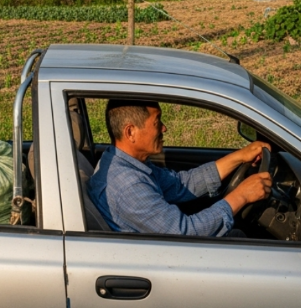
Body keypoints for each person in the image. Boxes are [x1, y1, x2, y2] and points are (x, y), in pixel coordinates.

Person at [87, 100, 272, 237]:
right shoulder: (128, 186)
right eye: (157, 122)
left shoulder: (126, 163)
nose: (164, 128)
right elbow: (186, 232)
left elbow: (181, 184)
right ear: (130, 132)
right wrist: (242, 195)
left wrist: (239, 156)